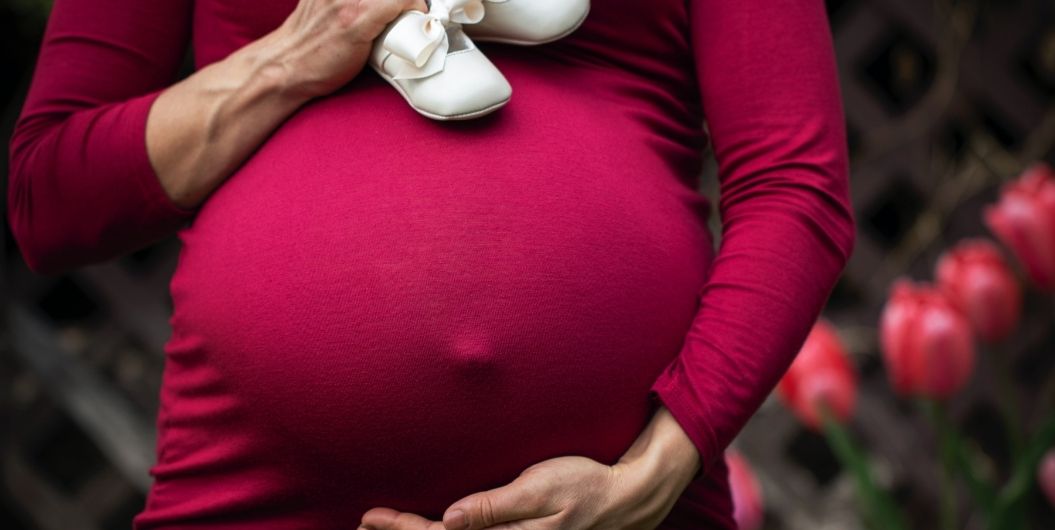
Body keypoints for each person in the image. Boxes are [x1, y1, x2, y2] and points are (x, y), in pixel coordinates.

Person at [7, 0, 856, 528]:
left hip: (615, 504)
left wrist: (652, 474)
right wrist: (293, 54)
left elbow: (795, 185)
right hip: (257, 495)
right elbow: (53, 198)